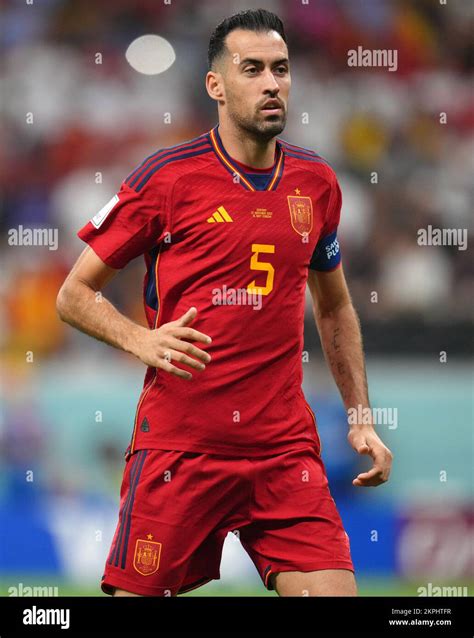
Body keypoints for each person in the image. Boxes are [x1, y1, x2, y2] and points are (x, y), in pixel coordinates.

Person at [57, 8, 392, 597]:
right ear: (216, 85)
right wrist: (141, 338)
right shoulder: (166, 178)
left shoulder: (317, 184)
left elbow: (335, 308)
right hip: (181, 449)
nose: (271, 83)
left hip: (285, 451)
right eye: (253, 69)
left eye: (281, 69)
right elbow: (72, 294)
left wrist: (360, 417)